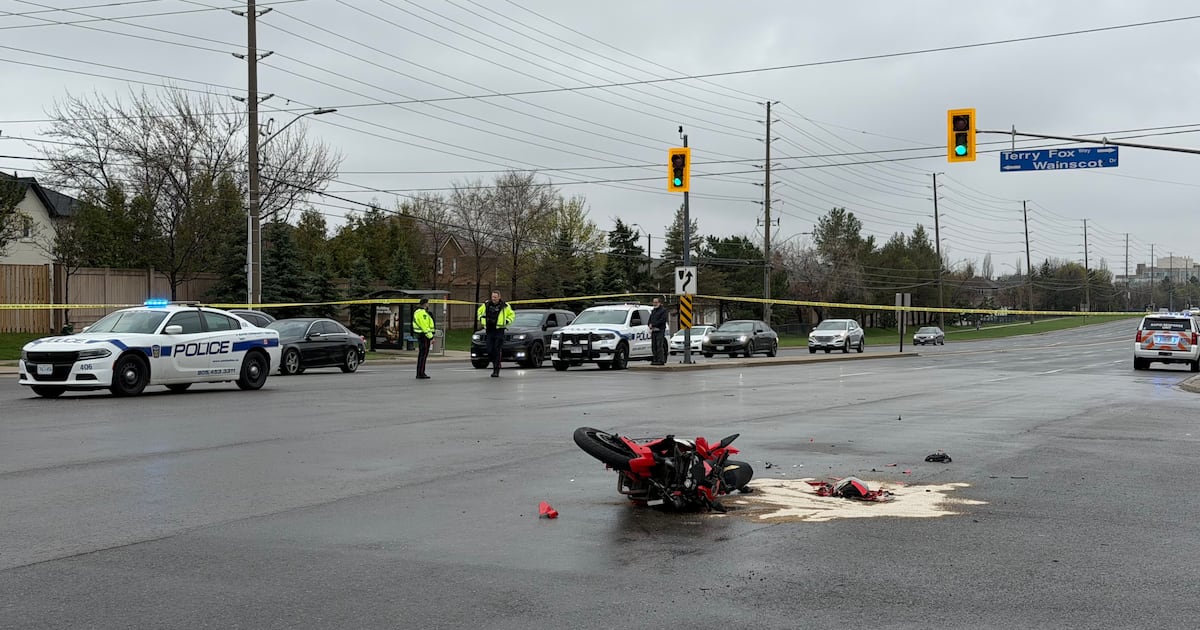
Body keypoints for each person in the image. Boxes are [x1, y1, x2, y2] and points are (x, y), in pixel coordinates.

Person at [476, 290, 515, 377]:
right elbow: (479, 312)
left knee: (497, 350)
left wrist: (507, 321)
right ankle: (496, 362)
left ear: (499, 297)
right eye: (492, 297)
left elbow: (512, 315)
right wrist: (482, 320)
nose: (493, 299)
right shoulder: (486, 304)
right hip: (489, 330)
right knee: (489, 350)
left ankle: (496, 370)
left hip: (499, 330)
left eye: (495, 297)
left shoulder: (505, 306)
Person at [412, 298, 435, 379]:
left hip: (421, 335)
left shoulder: (418, 312)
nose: (428, 304)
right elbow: (424, 326)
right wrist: (431, 336)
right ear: (425, 304)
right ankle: (421, 373)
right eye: (428, 303)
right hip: (424, 336)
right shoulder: (422, 313)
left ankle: (420, 372)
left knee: (422, 355)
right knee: (423, 355)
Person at [649, 297, 669, 365]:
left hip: (660, 330)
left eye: (656, 302)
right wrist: (649, 324)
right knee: (654, 346)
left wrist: (654, 324)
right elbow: (650, 319)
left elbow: (662, 320)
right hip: (654, 330)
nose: (654, 304)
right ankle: (655, 359)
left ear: (659, 303)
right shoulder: (653, 311)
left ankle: (661, 360)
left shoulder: (663, 311)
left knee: (659, 345)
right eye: (653, 302)